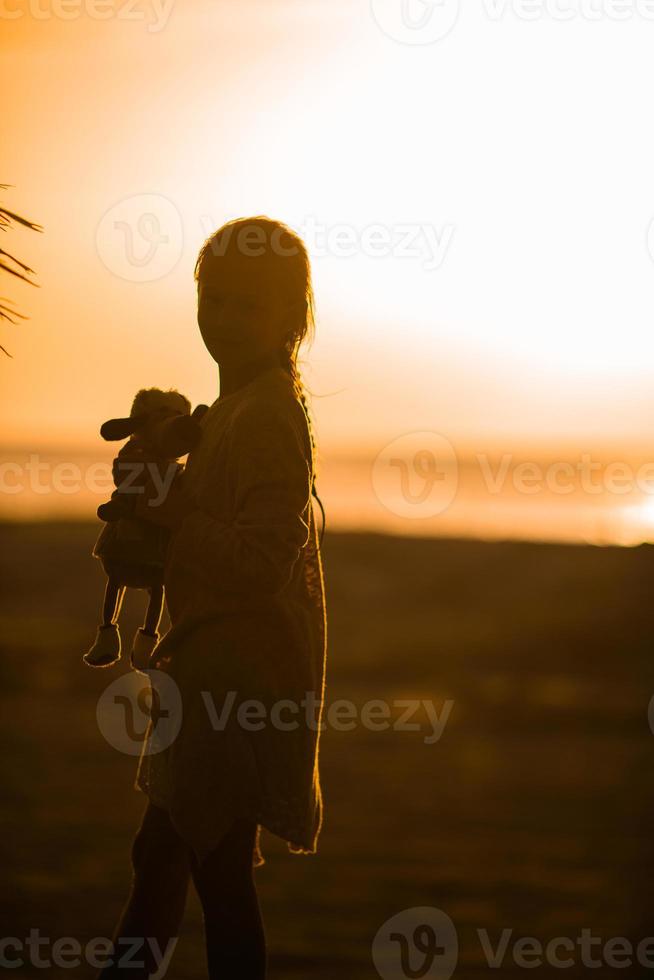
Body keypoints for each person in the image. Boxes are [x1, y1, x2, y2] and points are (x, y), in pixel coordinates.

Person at [99, 216, 328, 979]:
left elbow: (262, 563)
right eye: (214, 300)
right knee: (174, 859)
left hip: (237, 682)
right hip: (207, 673)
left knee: (209, 868)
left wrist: (171, 512)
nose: (223, 320)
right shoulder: (227, 411)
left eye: (246, 306)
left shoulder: (266, 416)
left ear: (292, 319)